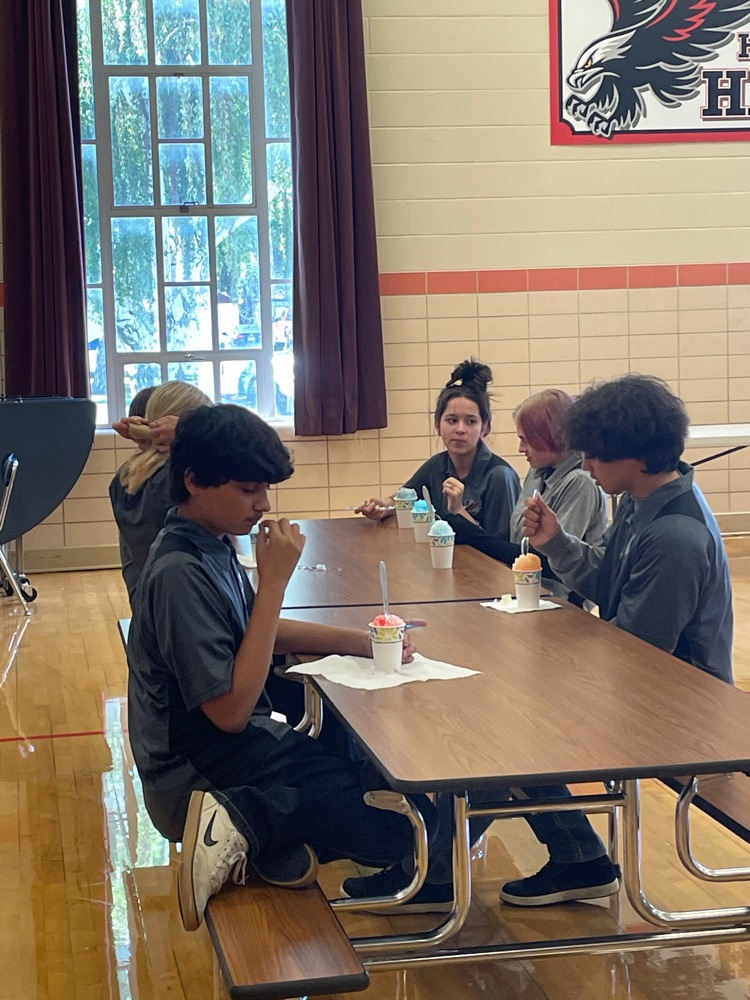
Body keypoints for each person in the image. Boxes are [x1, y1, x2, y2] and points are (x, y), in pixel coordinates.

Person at [126, 404, 444, 932]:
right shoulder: (180, 571)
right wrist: (274, 582)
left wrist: (362, 640)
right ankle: (248, 820)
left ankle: (269, 840)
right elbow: (229, 713)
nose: (263, 504)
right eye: (249, 489)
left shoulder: (206, 539)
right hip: (195, 771)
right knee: (405, 833)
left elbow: (256, 631)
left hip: (227, 745)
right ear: (193, 481)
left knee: (353, 753)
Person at [493, 373, 734, 908]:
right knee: (497, 706)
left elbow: (639, 658)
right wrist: (556, 542)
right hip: (647, 684)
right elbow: (608, 584)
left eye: (595, 456)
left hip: (684, 712)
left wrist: (552, 665)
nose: (587, 466)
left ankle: (452, 871)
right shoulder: (638, 502)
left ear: (633, 456)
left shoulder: (675, 535)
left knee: (503, 722)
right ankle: (573, 858)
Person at [464, 389, 608, 599]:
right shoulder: (537, 471)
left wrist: (475, 538)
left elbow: (548, 561)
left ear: (551, 437)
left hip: (559, 599)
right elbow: (516, 538)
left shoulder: (580, 482)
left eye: (526, 440)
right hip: (524, 588)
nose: (521, 448)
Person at [355, 359, 520, 540]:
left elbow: (503, 550)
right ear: (437, 426)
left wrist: (458, 510)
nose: (460, 429)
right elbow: (406, 496)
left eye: (471, 421)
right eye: (452, 420)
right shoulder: (437, 465)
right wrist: (383, 506)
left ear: (485, 428)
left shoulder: (500, 476)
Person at [109, 381, 211, 605]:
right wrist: (192, 436)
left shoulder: (125, 476)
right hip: (186, 601)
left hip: (146, 600)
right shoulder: (181, 479)